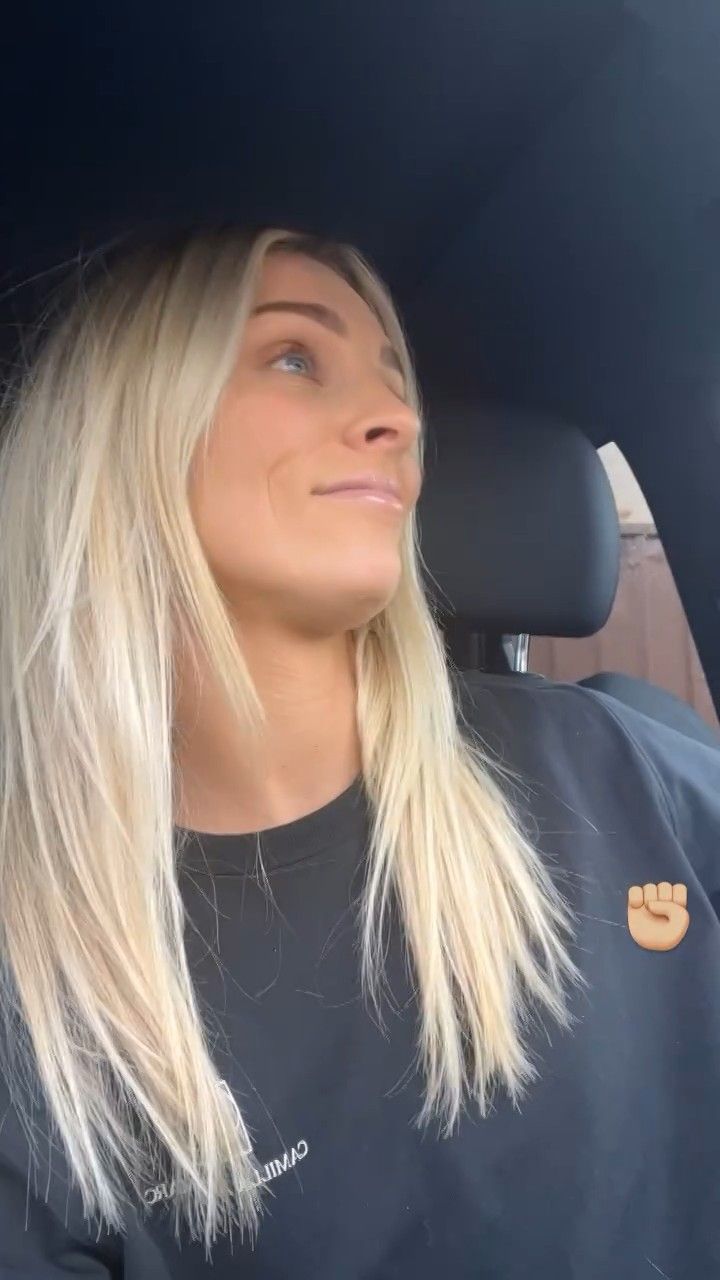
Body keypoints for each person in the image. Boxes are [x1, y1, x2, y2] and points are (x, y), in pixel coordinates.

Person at [0, 226, 717, 1280]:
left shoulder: (610, 766)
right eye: (294, 356)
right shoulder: (43, 983)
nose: (401, 419)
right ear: (123, 436)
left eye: (394, 377)